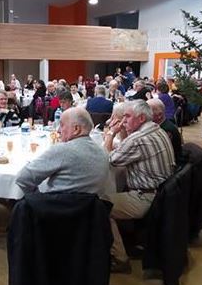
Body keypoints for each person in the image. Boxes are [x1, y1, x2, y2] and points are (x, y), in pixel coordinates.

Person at [103, 100, 176, 273]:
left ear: (141, 118)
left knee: (99, 204)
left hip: (146, 197)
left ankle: (120, 258)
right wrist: (122, 131)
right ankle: (128, 240)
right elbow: (126, 151)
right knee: (115, 187)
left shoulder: (139, 139)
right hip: (162, 194)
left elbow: (108, 160)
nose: (123, 121)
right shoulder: (156, 129)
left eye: (127, 117)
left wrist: (110, 134)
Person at [15, 107, 110, 195]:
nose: (58, 130)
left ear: (76, 129)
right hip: (91, 211)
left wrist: (36, 198)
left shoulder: (63, 150)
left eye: (62, 125)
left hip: (56, 210)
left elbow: (23, 178)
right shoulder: (103, 152)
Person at [148, 98, 183, 166]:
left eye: (148, 112)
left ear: (159, 115)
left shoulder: (165, 131)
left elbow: (155, 153)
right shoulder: (161, 125)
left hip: (170, 166)